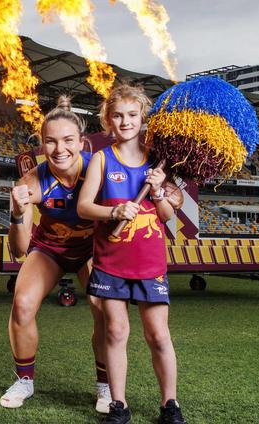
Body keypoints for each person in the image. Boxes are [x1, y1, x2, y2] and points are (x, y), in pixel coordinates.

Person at [76, 83, 186, 424]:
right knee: (115, 332)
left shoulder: (158, 163)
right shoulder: (101, 159)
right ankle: (118, 405)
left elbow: (167, 216)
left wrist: (156, 191)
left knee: (158, 335)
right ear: (108, 120)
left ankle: (170, 405)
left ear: (143, 119)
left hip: (150, 265)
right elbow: (83, 207)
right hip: (111, 264)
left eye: (132, 115)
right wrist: (114, 213)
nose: (125, 121)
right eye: (118, 115)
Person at [0, 97, 110, 413]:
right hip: (50, 249)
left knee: (103, 308)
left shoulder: (99, 168)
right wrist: (18, 212)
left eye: (67, 141)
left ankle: (104, 386)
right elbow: (19, 250)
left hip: (91, 249)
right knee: (22, 304)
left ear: (81, 142)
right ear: (41, 144)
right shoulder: (32, 179)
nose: (60, 149)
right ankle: (24, 380)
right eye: (51, 141)